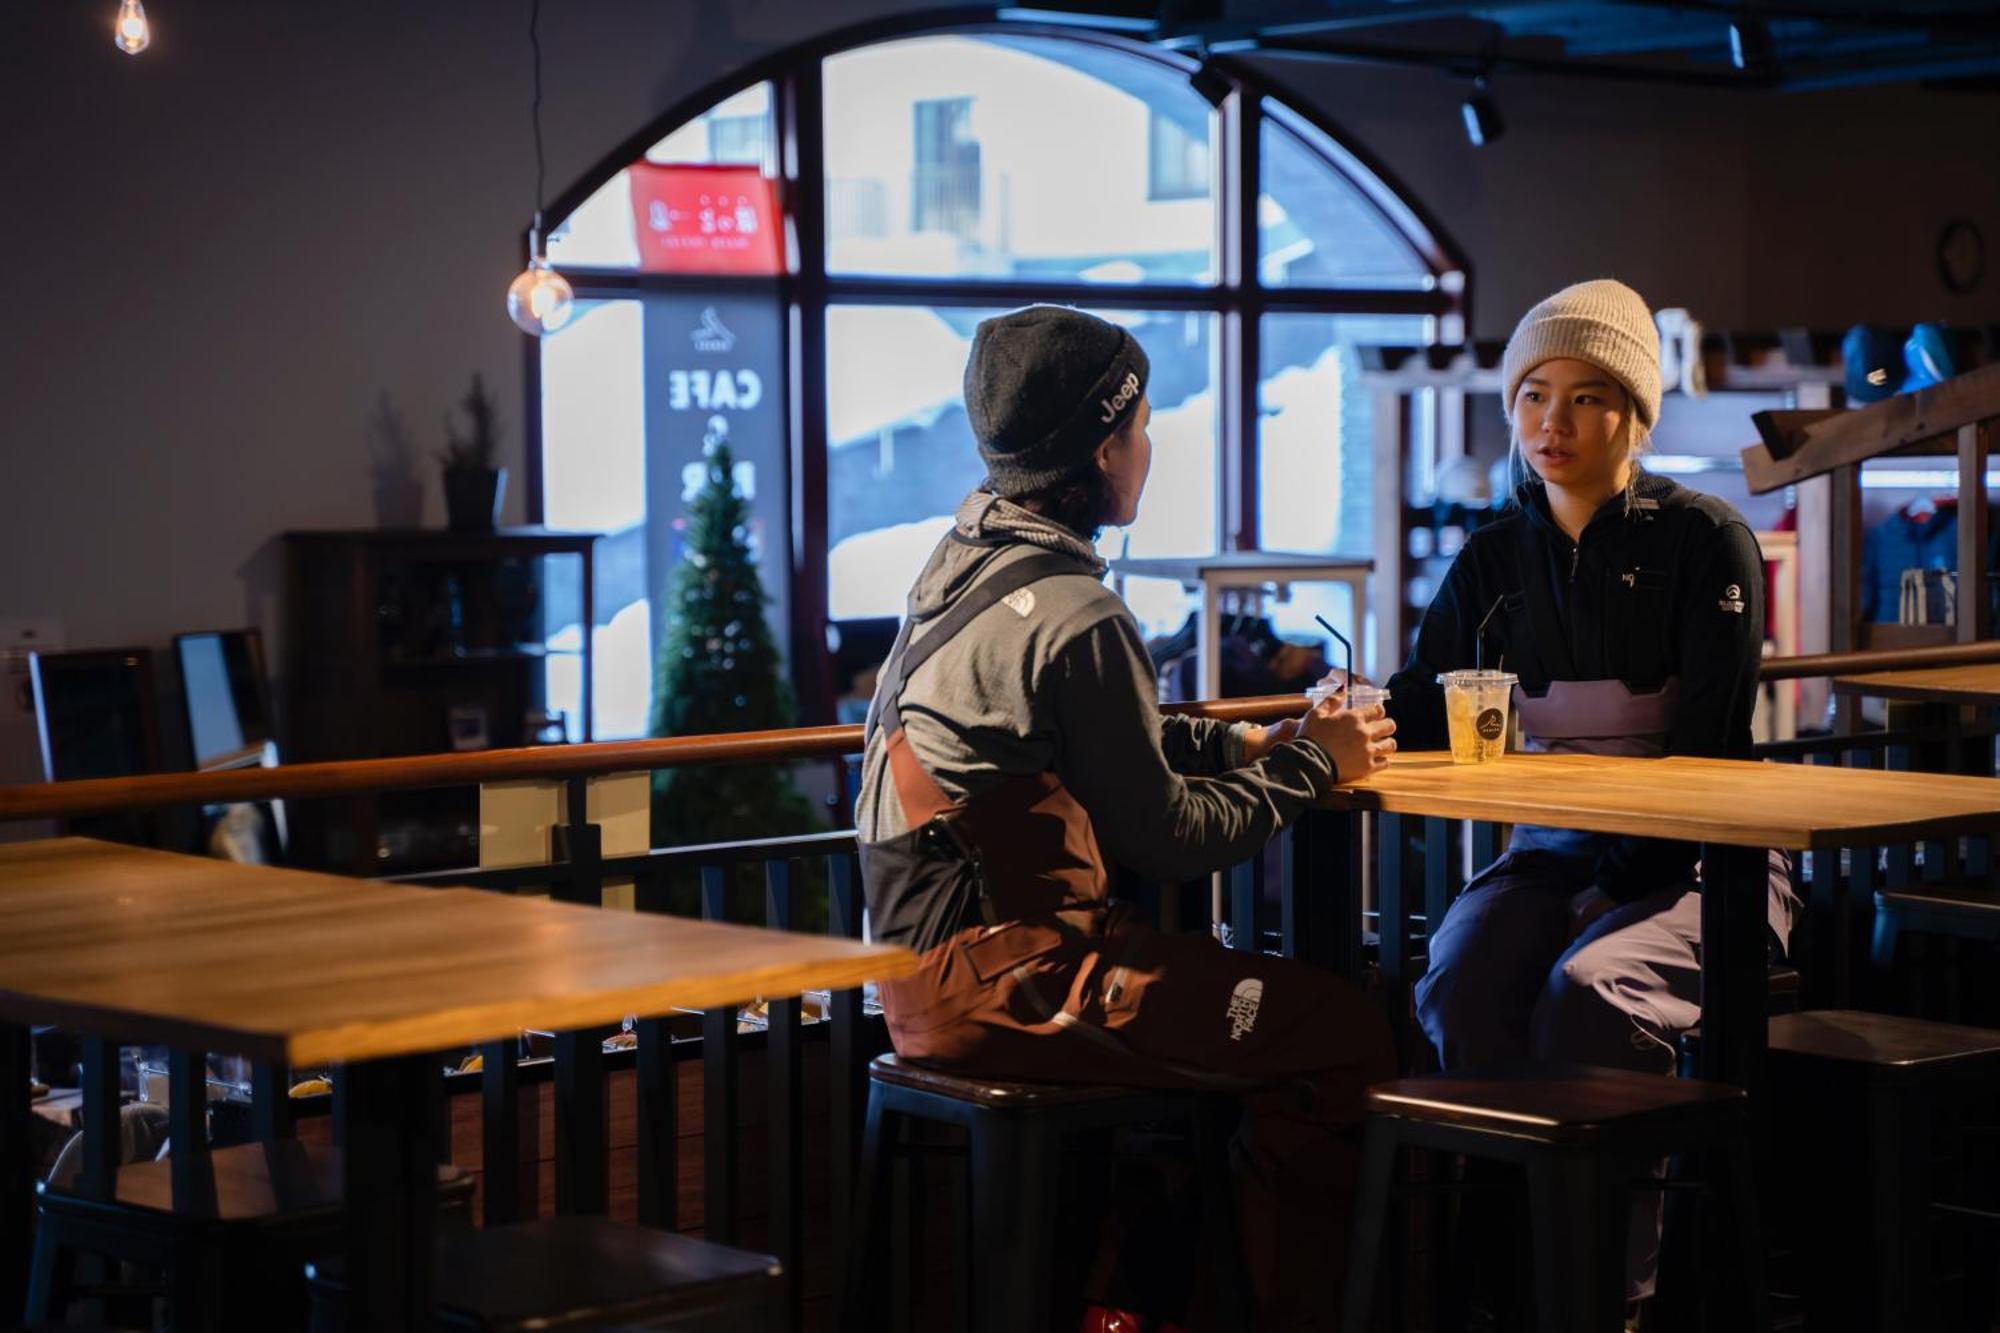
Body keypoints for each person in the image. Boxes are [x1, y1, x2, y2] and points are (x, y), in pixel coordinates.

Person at [854, 305, 1398, 1331]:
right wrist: (1313, 766)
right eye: (1141, 426)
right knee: (1338, 1030)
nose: (1148, 448)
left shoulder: (960, 563)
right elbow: (1170, 840)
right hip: (1012, 981)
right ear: (1105, 446)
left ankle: (1138, 1299)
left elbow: (1087, 738)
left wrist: (1248, 746)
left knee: (1233, 1030)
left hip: (921, 978)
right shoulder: (1076, 610)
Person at [1384, 278, 1798, 1313]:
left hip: (1708, 861)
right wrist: (1341, 717)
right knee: (1458, 981)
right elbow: (1420, 701)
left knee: (1590, 991)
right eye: (1531, 394)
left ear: (1631, 412)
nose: (1550, 424)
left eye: (1584, 397)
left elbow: (1707, 751)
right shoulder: (1491, 558)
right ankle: (1510, 1276)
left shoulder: (1705, 541)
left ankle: (1608, 1296)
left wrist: (1608, 890)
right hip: (1552, 853)